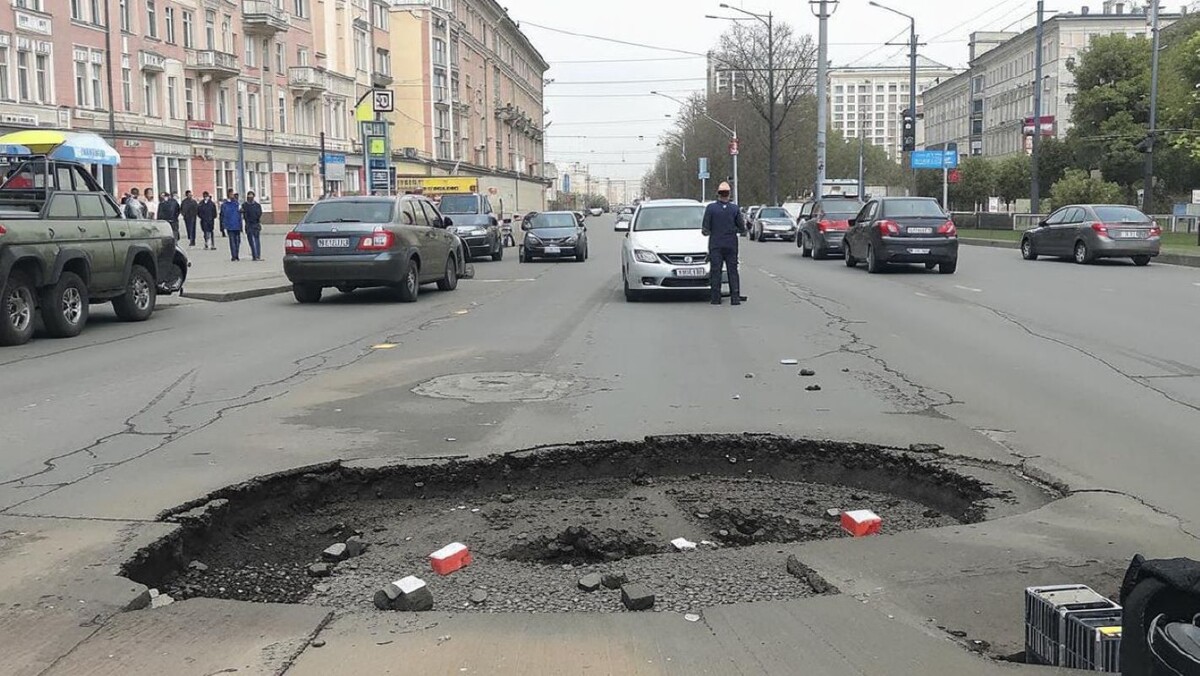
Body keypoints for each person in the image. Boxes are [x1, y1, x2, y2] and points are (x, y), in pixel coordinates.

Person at [701, 181, 745, 306]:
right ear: (729, 194)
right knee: (732, 271)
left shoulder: (711, 208)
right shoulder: (734, 208)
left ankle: (716, 298)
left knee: (716, 271)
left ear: (718, 194)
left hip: (716, 244)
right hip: (731, 244)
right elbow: (741, 228)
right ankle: (735, 298)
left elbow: (705, 229)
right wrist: (733, 230)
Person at [220, 191, 243, 261]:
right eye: (231, 194)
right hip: (230, 226)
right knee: (232, 241)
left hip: (237, 225)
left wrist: (241, 225)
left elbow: (240, 215)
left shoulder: (237, 204)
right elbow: (222, 215)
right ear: (228, 195)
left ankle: (236, 254)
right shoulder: (225, 205)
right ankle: (234, 255)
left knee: (238, 241)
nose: (232, 196)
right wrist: (223, 226)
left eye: (233, 194)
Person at [243, 190, 264, 262]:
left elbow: (259, 214)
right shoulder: (244, 205)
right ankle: (254, 255)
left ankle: (257, 255)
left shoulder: (257, 205)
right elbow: (243, 214)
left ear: (253, 197)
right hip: (248, 225)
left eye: (251, 197)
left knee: (256, 240)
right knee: (251, 241)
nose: (250, 198)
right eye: (249, 197)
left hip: (255, 224)